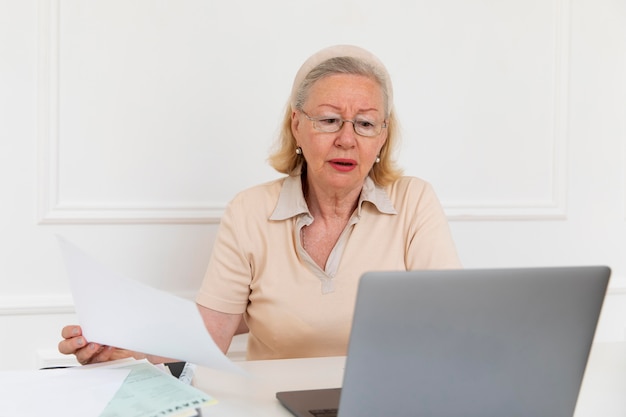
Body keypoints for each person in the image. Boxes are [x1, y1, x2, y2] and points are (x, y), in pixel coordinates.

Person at [58, 44, 461, 365]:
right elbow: (211, 332)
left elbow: (451, 324)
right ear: (296, 125)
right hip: (273, 404)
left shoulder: (414, 201)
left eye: (366, 123)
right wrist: (126, 341)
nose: (347, 139)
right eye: (328, 119)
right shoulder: (249, 211)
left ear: (382, 137)